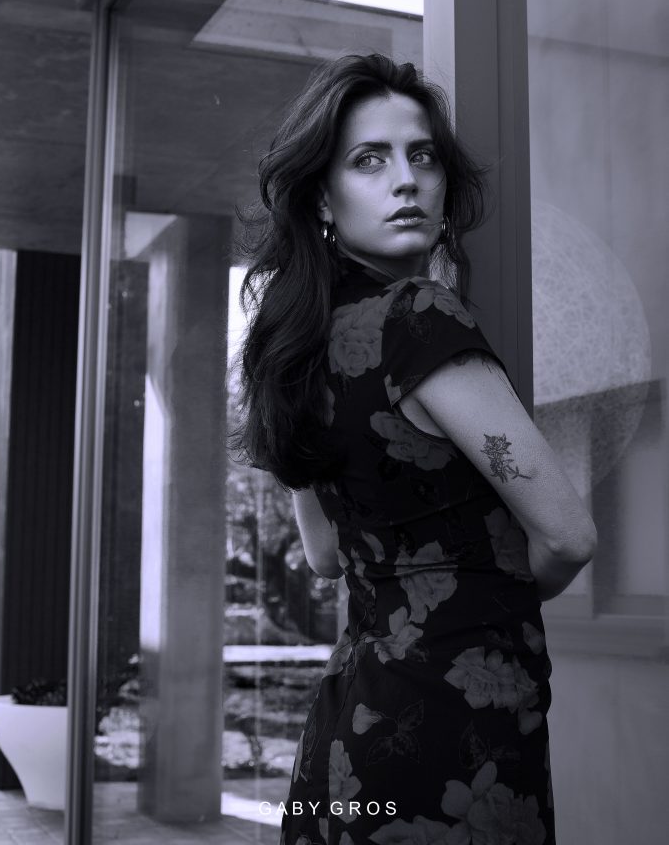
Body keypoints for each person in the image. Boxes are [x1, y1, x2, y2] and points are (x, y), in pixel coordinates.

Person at [232, 53, 597, 845]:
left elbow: (323, 556)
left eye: (421, 155)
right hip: (450, 736)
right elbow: (569, 536)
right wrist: (483, 607)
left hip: (345, 739)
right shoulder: (420, 318)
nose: (407, 181)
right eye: (369, 159)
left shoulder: (289, 351)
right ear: (321, 195)